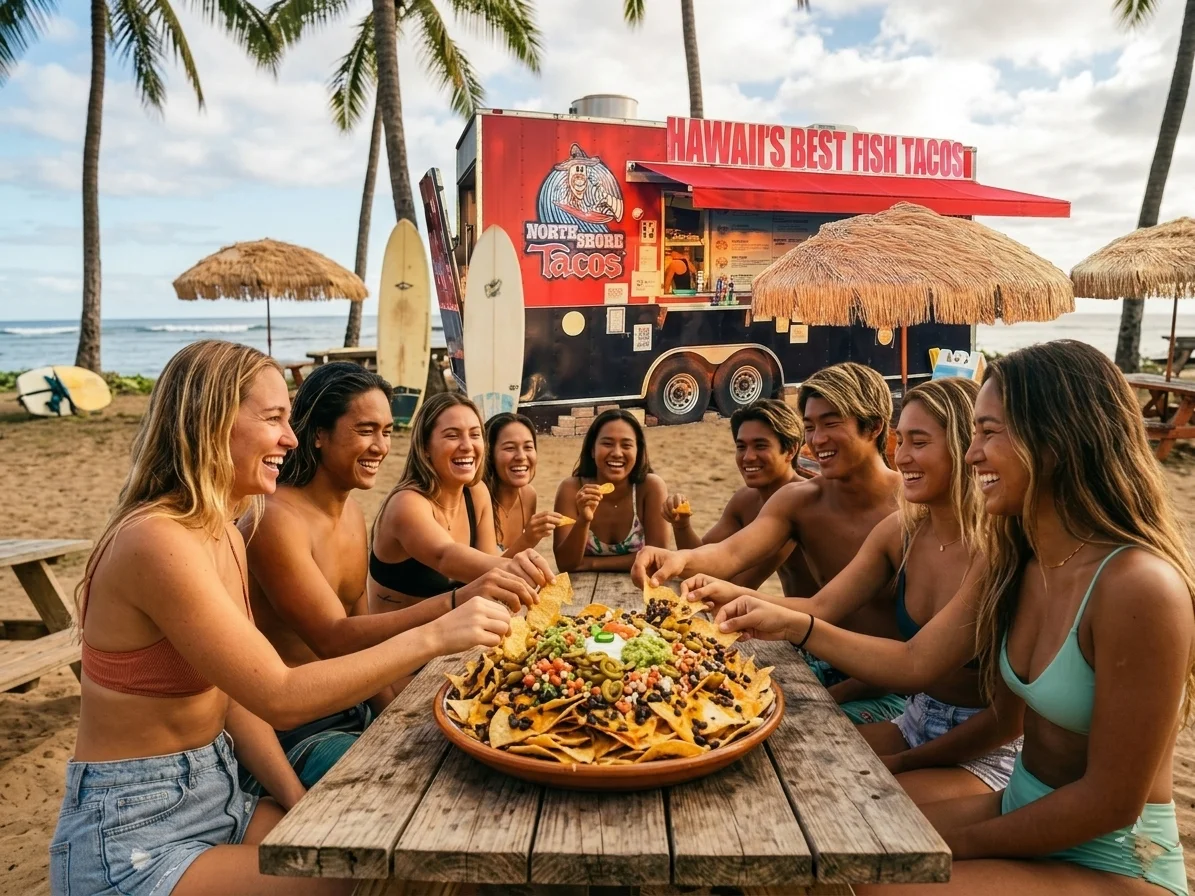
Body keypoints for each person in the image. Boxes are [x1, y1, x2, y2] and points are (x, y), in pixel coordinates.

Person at [717, 341, 1193, 896]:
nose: (972, 456)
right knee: (820, 840)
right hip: (1018, 803)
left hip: (1113, 855)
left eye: (988, 433)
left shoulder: (1139, 586)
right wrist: (790, 623)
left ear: (1057, 438)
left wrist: (943, 849)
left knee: (870, 873)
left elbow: (1111, 803)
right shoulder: (1019, 560)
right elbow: (917, 662)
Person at [48, 341, 516, 895]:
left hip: (222, 792)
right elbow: (279, 694)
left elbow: (236, 699)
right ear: (212, 422)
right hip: (135, 829)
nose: (290, 439)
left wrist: (298, 804)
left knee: (396, 850)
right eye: (273, 419)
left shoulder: (223, 533)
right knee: (372, 873)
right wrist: (437, 631)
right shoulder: (156, 540)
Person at [686, 379, 1023, 802]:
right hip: (915, 719)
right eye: (901, 441)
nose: (902, 456)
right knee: (773, 762)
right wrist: (733, 596)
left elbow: (934, 676)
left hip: (985, 748)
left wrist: (903, 763)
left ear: (963, 446)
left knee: (852, 801)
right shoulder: (902, 529)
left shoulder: (999, 549)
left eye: (919, 442)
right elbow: (822, 605)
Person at [241, 364, 544, 795]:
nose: (381, 446)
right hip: (298, 729)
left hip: (356, 703)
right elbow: (333, 639)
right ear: (319, 433)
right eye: (366, 430)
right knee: (417, 791)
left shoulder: (351, 512)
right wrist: (454, 604)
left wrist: (396, 716)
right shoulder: (274, 519)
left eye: (386, 431)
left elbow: (366, 638)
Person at [633, 361, 905, 721]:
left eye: (831, 423)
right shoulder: (799, 500)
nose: (817, 440)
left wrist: (823, 699)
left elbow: (917, 657)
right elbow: (730, 553)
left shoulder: (911, 507)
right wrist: (678, 559)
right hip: (814, 656)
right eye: (810, 426)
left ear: (874, 427)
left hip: (890, 684)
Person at [369, 393, 551, 614]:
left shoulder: (476, 493)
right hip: (402, 635)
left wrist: (520, 559)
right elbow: (445, 557)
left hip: (461, 632)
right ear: (425, 446)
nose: (467, 446)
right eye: (452, 435)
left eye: (475, 435)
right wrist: (517, 567)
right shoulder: (406, 504)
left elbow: (488, 568)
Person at [663, 398, 818, 596]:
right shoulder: (746, 500)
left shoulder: (799, 501)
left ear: (790, 450)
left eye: (760, 446)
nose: (748, 457)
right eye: (741, 447)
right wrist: (682, 525)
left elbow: (741, 584)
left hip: (819, 614)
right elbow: (701, 559)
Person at [553, 408, 669, 572]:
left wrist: (590, 564)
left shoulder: (650, 487)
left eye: (626, 445)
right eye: (607, 444)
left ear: (638, 451)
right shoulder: (571, 490)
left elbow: (657, 560)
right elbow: (565, 564)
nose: (617, 453)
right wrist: (584, 520)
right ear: (592, 450)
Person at [484, 412, 567, 557]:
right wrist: (528, 539)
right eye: (510, 448)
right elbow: (484, 567)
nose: (521, 456)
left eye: (528, 447)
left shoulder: (528, 496)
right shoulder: (477, 498)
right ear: (489, 454)